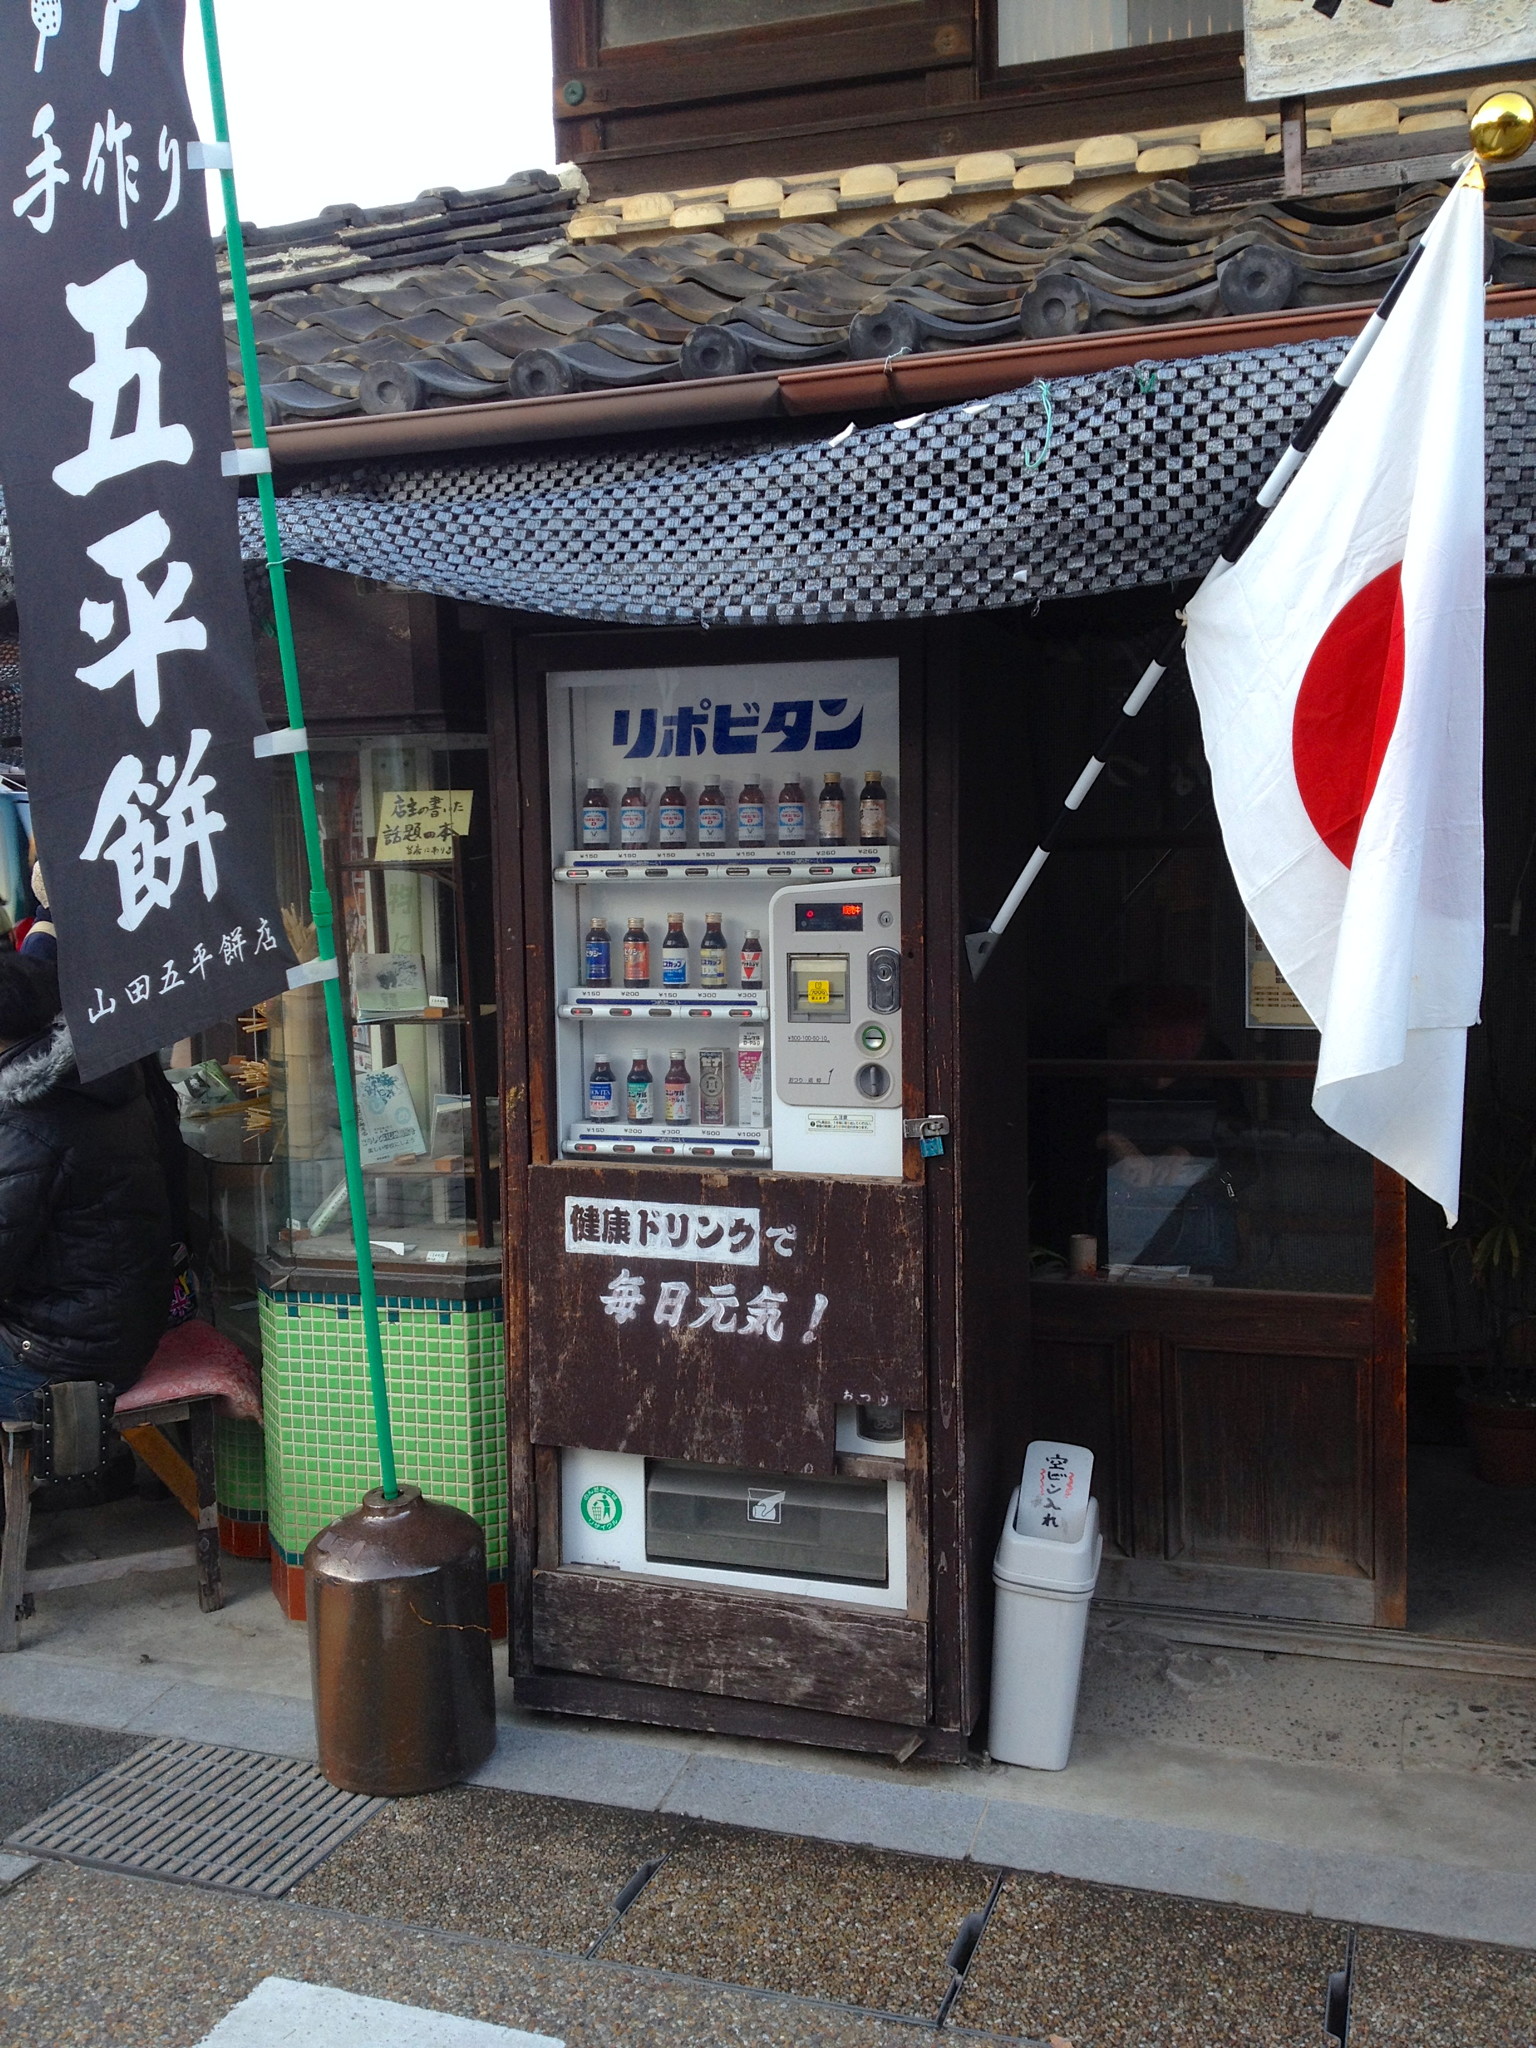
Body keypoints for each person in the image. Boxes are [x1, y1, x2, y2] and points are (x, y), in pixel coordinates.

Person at [0, 955, 171, 1422]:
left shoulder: (27, 1122)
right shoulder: (95, 1079)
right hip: (118, 1329)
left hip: (60, 1357)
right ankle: (98, 1477)